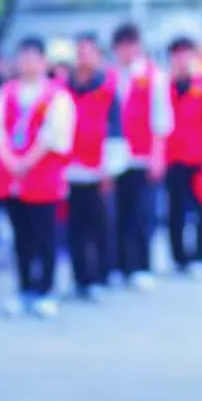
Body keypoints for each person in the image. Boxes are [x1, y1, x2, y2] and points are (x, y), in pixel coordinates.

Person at [0, 37, 76, 318]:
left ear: (44, 62)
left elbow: (54, 136)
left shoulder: (57, 96)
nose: (27, 64)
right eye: (22, 57)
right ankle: (23, 288)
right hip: (10, 175)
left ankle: (45, 290)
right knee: (20, 235)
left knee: (45, 235)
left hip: (42, 175)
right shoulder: (5, 93)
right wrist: (11, 160)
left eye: (33, 58)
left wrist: (27, 161)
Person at [108, 23, 172, 291]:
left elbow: (161, 118)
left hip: (143, 154)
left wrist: (158, 155)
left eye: (131, 45)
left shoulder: (153, 76)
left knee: (142, 213)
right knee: (118, 212)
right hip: (115, 157)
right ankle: (120, 265)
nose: (126, 51)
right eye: (121, 46)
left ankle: (141, 266)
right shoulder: (110, 76)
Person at [65, 33, 117, 299]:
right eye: (80, 52)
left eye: (89, 53)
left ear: (99, 57)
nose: (84, 58)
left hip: (98, 168)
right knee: (74, 226)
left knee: (100, 225)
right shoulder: (64, 89)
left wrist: (110, 168)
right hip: (70, 169)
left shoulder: (108, 89)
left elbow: (116, 131)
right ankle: (80, 278)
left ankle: (101, 275)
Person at [165, 37, 202, 272]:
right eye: (177, 55)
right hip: (172, 157)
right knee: (175, 209)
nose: (182, 59)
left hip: (199, 156)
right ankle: (179, 257)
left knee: (200, 209)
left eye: (186, 54)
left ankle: (201, 255)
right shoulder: (164, 86)